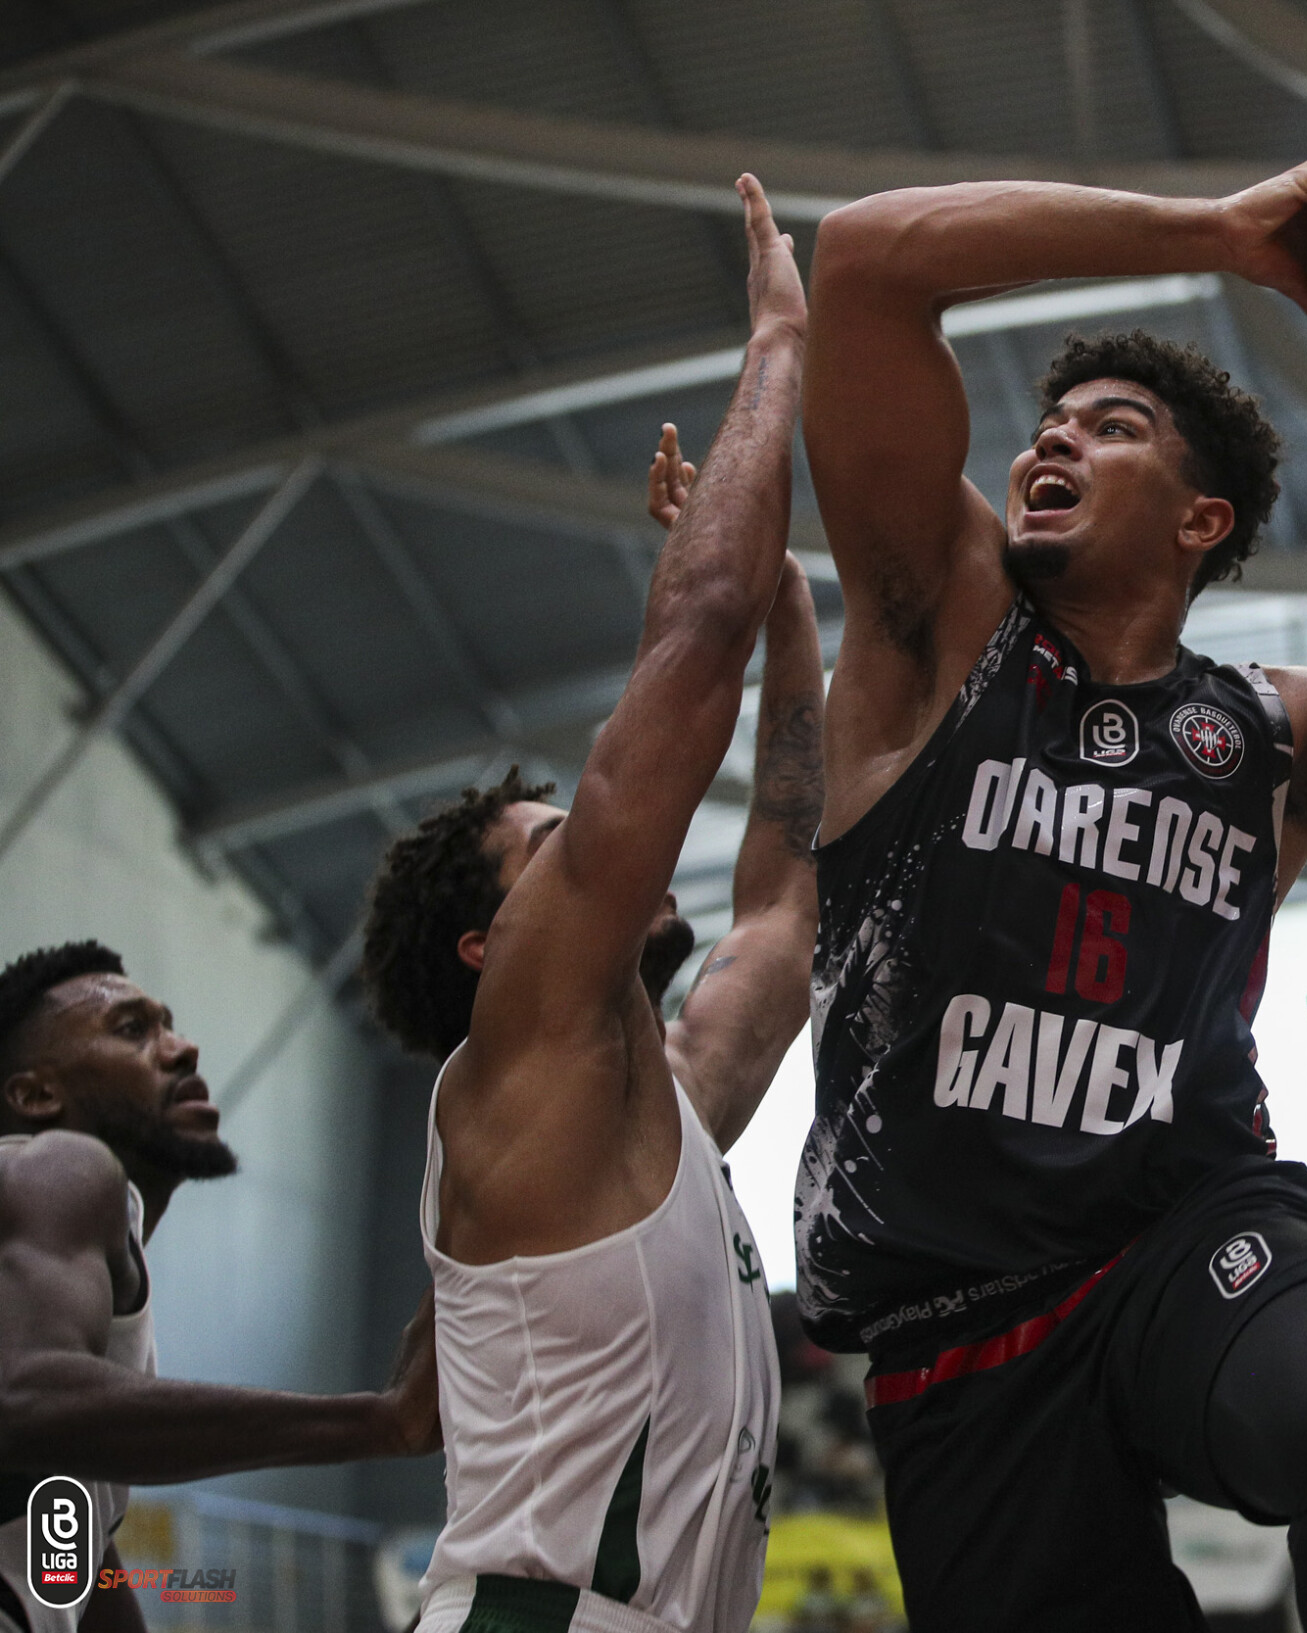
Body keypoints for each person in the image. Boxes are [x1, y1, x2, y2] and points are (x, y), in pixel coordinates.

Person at [796, 103, 1307, 1631]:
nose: (1052, 437)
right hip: (958, 1314)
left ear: (1202, 521)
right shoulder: (941, 630)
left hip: (1187, 1232)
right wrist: (1215, 234)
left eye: (1111, 427)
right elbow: (862, 263)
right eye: (1049, 423)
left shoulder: (1270, 732)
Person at [356, 175, 821, 1633]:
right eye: (551, 846)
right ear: (494, 950)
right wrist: (778, 345)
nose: (599, 844)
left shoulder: (658, 1104)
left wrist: (794, 613)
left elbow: (786, 906)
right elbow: (690, 649)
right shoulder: (519, 1069)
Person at [0, 941, 438, 1633]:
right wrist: (380, 1420)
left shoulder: (84, 1474)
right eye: (132, 1028)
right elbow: (21, 1400)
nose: (183, 1048)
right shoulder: (59, 1163)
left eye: (169, 1023)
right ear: (36, 1093)